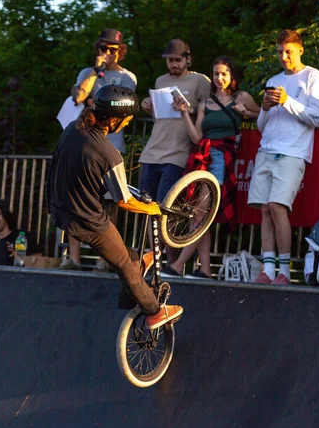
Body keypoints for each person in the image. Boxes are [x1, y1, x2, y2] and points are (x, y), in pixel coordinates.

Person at [46, 84, 183, 331]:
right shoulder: (109, 153)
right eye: (127, 120)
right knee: (123, 264)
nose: (128, 124)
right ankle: (154, 311)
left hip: (60, 207)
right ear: (114, 120)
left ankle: (130, 289)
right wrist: (152, 210)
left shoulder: (74, 129)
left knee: (124, 255)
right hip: (87, 220)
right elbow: (125, 201)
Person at [161, 56, 260, 279]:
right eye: (216, 73)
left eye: (224, 73)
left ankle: (178, 266)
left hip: (221, 158)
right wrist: (185, 112)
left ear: (232, 75)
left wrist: (247, 114)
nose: (219, 78)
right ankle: (204, 269)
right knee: (200, 215)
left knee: (200, 213)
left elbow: (263, 114)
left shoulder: (240, 97)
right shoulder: (205, 103)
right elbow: (197, 136)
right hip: (202, 155)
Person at [248, 29, 319, 285]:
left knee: (277, 207)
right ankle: (268, 271)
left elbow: (317, 118)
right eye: (280, 52)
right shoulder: (273, 79)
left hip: (293, 152)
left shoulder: (313, 76)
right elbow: (263, 126)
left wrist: (287, 100)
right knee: (264, 209)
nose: (284, 57)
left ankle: (284, 270)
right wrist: (265, 108)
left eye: (289, 51)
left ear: (300, 50)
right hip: (266, 149)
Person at [62, 28, 137, 271]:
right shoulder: (88, 72)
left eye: (112, 50)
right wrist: (96, 71)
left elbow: (119, 109)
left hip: (109, 144)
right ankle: (72, 258)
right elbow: (79, 97)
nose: (107, 53)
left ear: (120, 51)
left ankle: (105, 261)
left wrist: (95, 103)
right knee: (76, 199)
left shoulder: (128, 78)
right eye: (103, 49)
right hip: (82, 144)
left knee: (109, 202)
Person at [139, 39, 211, 262]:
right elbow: (159, 116)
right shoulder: (161, 80)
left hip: (178, 153)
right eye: (170, 60)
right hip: (152, 151)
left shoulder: (201, 81)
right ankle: (155, 258)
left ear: (188, 59)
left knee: (165, 208)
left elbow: (208, 111)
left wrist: (186, 109)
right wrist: (149, 107)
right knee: (146, 207)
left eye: (178, 60)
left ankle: (170, 262)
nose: (174, 65)